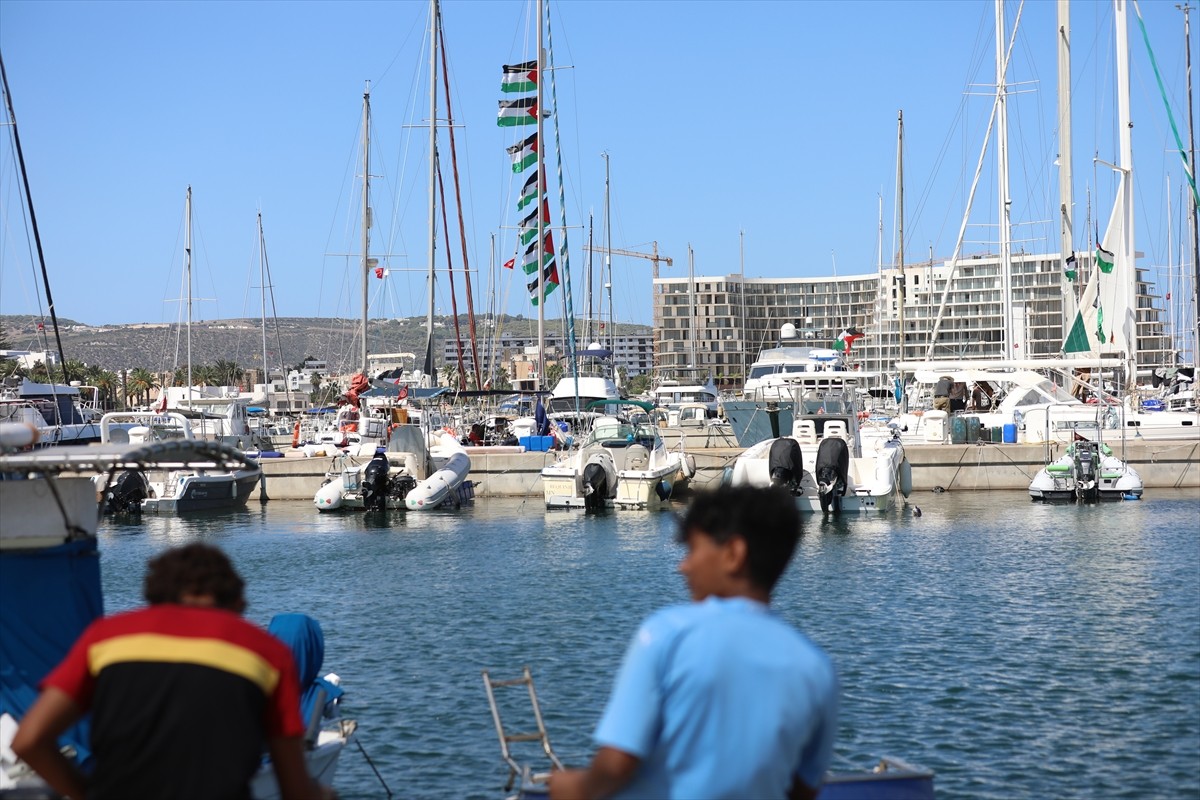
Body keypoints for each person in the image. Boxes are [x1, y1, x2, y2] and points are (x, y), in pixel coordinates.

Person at [548, 485, 838, 800]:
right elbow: (803, 788)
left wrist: (567, 787)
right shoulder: (816, 669)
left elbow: (614, 768)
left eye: (692, 550)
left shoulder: (665, 636)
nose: (682, 566)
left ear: (733, 554)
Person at [11, 543, 332, 800]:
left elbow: (28, 740)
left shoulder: (105, 638)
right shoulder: (266, 652)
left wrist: (85, 793)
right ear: (235, 601)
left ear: (154, 597)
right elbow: (295, 790)